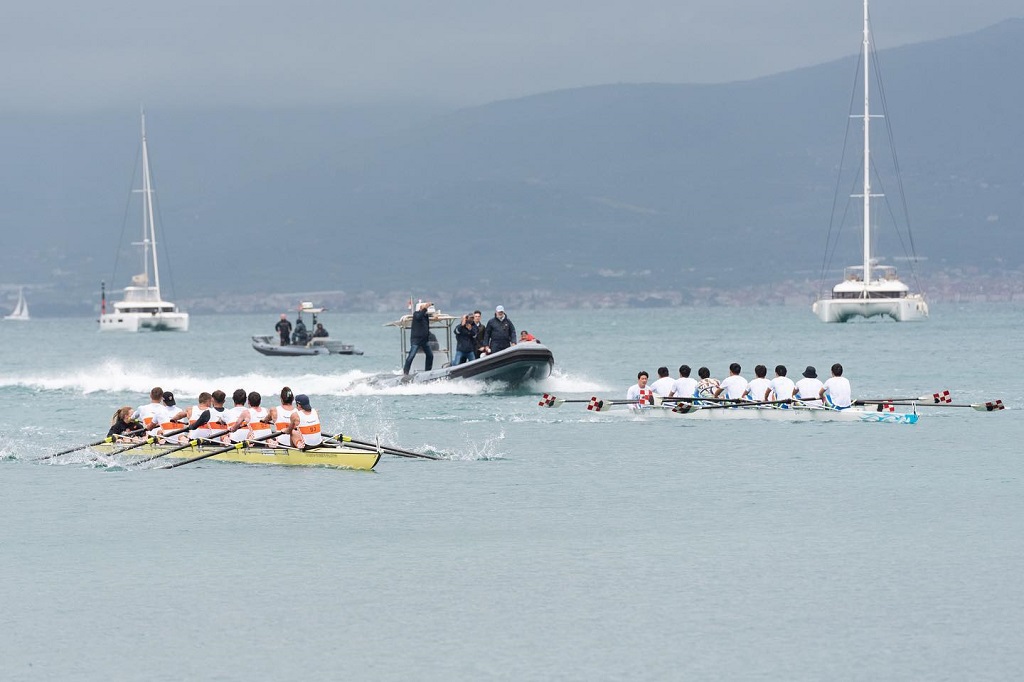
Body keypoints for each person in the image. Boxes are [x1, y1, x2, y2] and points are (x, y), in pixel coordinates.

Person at [403, 301, 434, 375]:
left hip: (424, 340)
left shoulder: (425, 316)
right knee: (411, 356)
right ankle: (405, 372)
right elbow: (419, 317)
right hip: (416, 340)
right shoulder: (416, 314)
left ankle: (427, 371)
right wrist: (425, 308)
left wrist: (434, 316)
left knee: (430, 355)